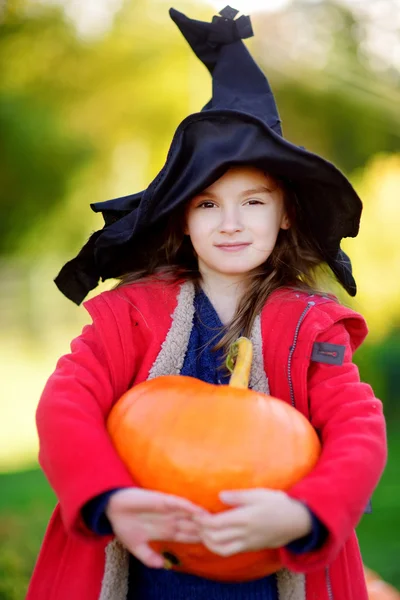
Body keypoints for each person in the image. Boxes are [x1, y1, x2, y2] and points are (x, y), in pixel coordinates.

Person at [27, 6, 387, 600]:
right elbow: (68, 402)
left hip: (267, 570)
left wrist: (306, 513)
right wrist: (109, 498)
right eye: (207, 204)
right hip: (147, 565)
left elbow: (357, 426)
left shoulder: (310, 326)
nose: (230, 223)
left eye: (253, 201)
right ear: (183, 218)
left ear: (285, 212)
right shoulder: (130, 316)